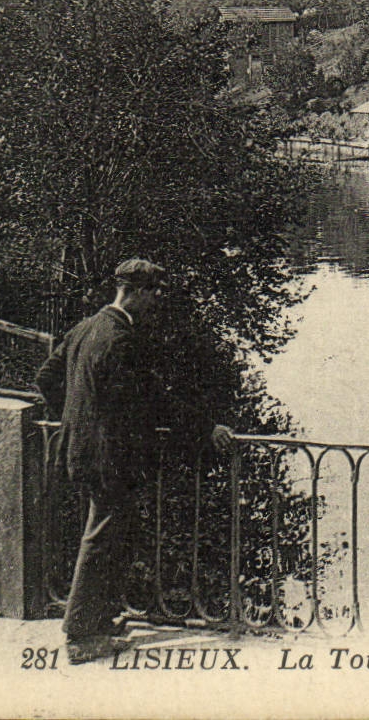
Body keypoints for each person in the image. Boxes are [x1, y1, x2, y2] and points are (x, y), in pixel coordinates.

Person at [35, 258, 233, 665]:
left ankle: (100, 621)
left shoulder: (85, 328)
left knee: (109, 536)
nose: (157, 300)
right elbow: (153, 400)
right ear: (136, 292)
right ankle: (80, 634)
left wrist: (78, 421)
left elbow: (46, 378)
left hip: (82, 453)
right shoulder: (121, 338)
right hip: (111, 460)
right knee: (101, 541)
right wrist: (205, 428)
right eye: (154, 292)